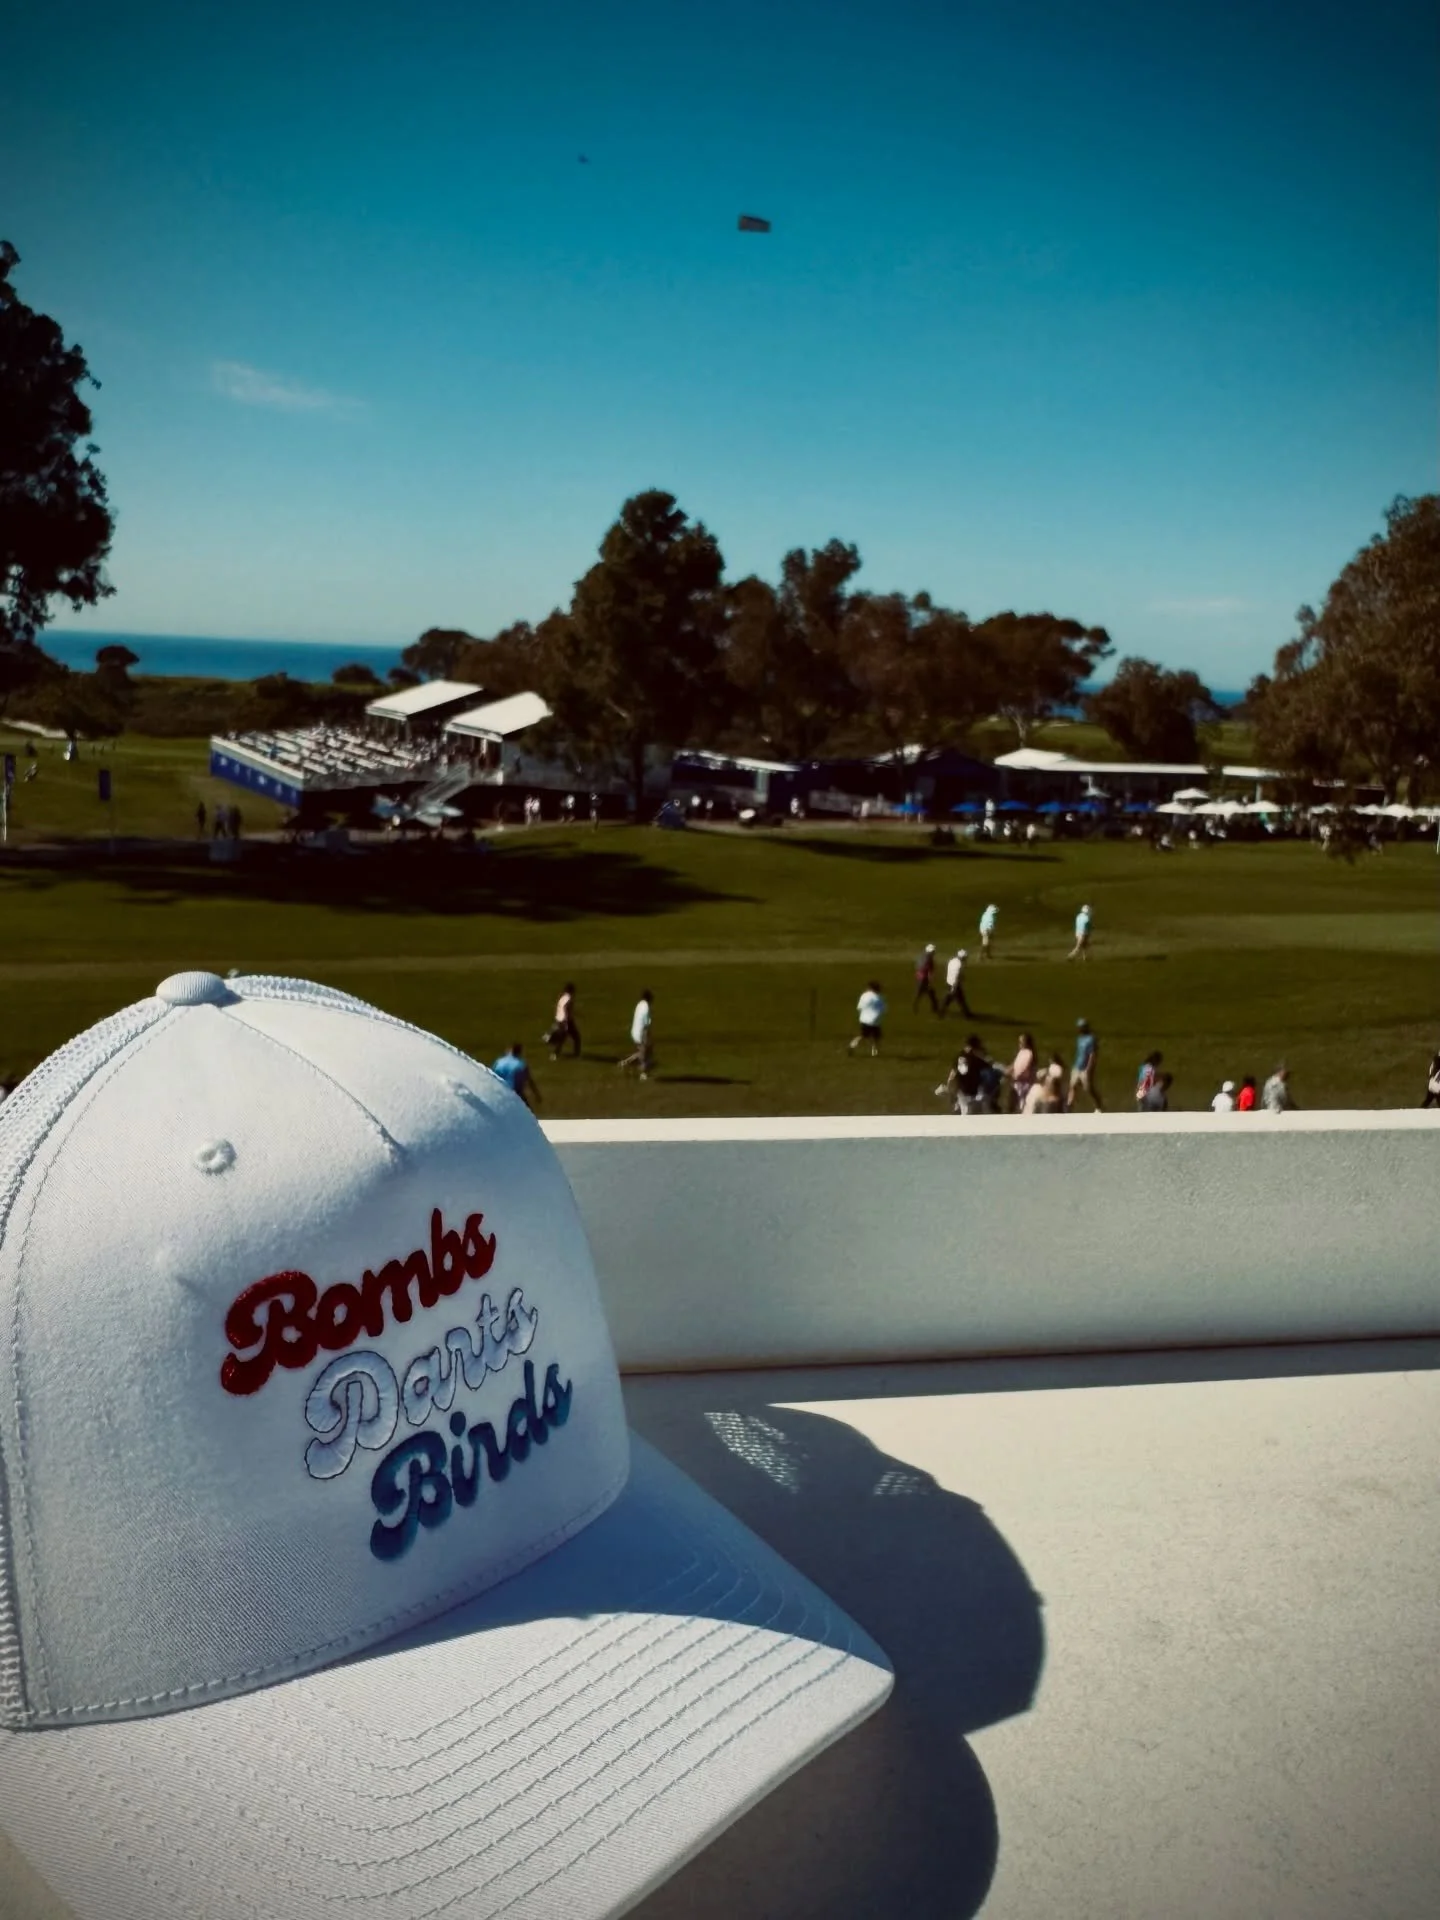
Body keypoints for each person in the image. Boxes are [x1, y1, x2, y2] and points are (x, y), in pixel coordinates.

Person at [490, 1041, 541, 1112]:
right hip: (514, 1093)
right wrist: (537, 1095)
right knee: (527, 1113)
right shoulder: (520, 1064)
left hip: (498, 1092)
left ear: (508, 1050)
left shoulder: (498, 1062)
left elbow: (491, 1076)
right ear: (519, 1052)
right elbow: (529, 1081)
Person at [1068, 1018, 1103, 1111]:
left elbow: (1092, 1055)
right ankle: (1069, 1105)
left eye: (1081, 1027)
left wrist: (1089, 1068)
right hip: (1077, 1067)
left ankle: (1099, 1106)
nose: (1079, 1029)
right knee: (1073, 1086)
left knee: (1088, 1089)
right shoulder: (1079, 1039)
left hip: (1085, 1068)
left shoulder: (1091, 1039)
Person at [619, 990, 654, 1078]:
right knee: (644, 1054)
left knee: (643, 1052)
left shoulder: (640, 1004)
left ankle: (625, 1063)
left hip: (635, 1031)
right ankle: (643, 1074)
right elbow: (646, 1025)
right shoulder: (646, 1007)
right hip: (641, 1034)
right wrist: (646, 1038)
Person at [848, 980, 886, 1057]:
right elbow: (883, 1009)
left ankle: (852, 1045)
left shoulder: (864, 995)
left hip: (864, 1019)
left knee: (863, 1035)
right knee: (876, 1037)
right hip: (875, 1021)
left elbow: (859, 1007)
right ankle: (874, 1052)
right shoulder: (878, 998)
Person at [546, 982, 581, 1059]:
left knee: (563, 1038)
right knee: (576, 1037)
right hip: (567, 1021)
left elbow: (559, 1008)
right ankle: (576, 1054)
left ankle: (556, 1053)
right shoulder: (569, 998)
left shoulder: (562, 998)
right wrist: (567, 1018)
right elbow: (566, 1008)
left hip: (561, 1020)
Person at [1006, 1032, 1037, 1112]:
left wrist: (1017, 1075)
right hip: (1017, 1082)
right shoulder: (1021, 1052)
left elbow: (1025, 1066)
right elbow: (1016, 1063)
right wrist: (1010, 1069)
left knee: (1022, 1101)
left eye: (1021, 1041)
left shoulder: (1029, 1053)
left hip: (1024, 1082)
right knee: (1016, 1099)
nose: (1019, 1043)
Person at [940, 948, 972, 1018]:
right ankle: (967, 1015)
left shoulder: (952, 961)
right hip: (955, 984)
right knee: (956, 999)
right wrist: (955, 986)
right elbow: (957, 975)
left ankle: (967, 1014)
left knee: (954, 999)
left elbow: (952, 971)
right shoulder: (960, 964)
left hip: (949, 982)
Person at [912, 944, 940, 1014]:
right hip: (924, 978)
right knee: (924, 992)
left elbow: (917, 966)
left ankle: (934, 1006)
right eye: (933, 951)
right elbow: (929, 970)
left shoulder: (922, 956)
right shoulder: (929, 959)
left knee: (928, 992)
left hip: (920, 977)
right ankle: (934, 1007)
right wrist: (930, 979)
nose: (934, 952)